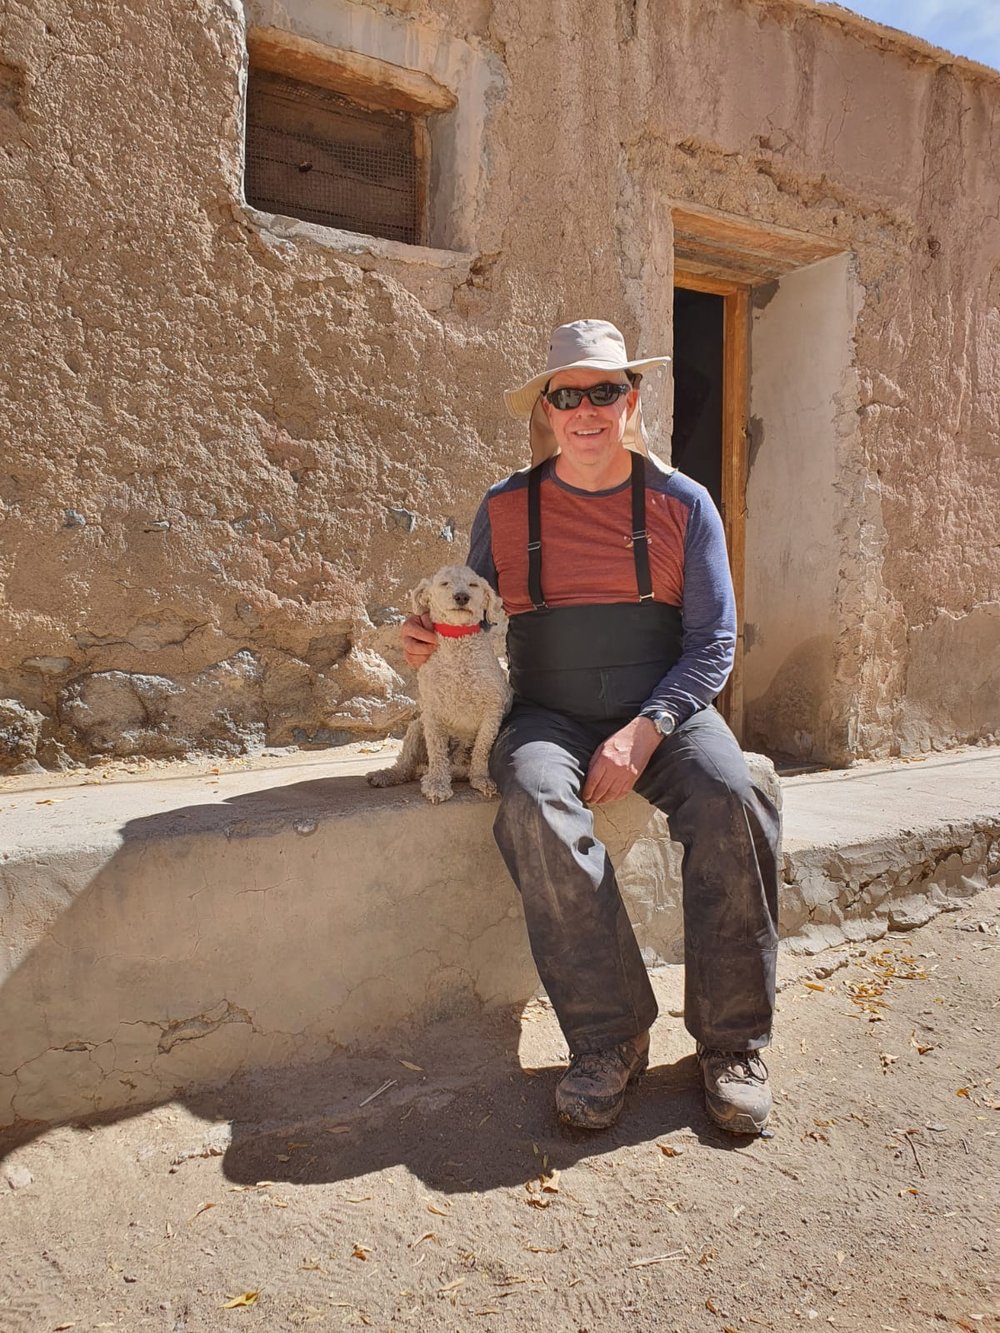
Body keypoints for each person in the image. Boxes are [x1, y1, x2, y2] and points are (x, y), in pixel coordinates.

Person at [401, 319, 780, 1135]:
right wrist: (424, 640)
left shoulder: (685, 504)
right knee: (533, 800)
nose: (584, 409)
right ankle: (610, 1037)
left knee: (734, 793)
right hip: (548, 712)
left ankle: (733, 1041)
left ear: (629, 399)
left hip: (668, 710)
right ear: (546, 409)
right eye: (565, 394)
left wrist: (646, 729)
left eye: (602, 391)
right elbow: (465, 608)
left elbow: (713, 644)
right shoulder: (506, 507)